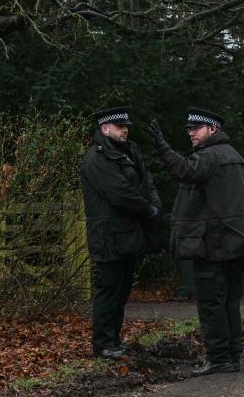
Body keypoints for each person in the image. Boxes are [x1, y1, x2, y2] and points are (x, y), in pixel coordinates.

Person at [147, 107, 244, 377]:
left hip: (215, 244)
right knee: (229, 302)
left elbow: (184, 170)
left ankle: (219, 357)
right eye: (188, 130)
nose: (191, 134)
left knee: (211, 303)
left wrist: (163, 148)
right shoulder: (233, 156)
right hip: (236, 241)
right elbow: (213, 201)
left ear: (212, 130)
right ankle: (231, 356)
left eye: (196, 129)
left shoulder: (210, 156)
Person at [80, 106, 161, 359]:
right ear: (105, 129)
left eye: (126, 126)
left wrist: (154, 205)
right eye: (120, 127)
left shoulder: (127, 154)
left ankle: (113, 340)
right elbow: (120, 194)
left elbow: (146, 182)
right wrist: (148, 210)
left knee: (121, 292)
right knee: (109, 291)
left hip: (126, 235)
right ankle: (103, 344)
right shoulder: (96, 158)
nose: (125, 130)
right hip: (109, 237)